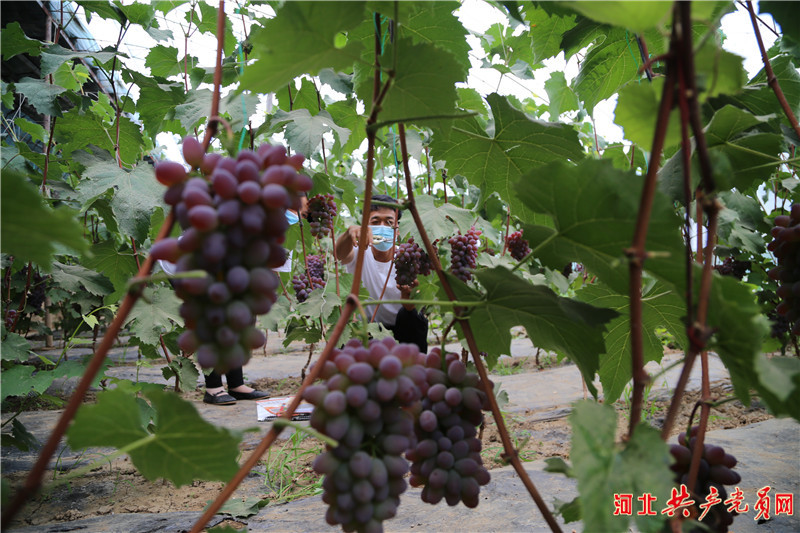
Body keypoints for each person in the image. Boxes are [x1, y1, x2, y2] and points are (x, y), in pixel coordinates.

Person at [335, 194, 428, 352]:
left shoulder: (407, 258)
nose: (383, 227)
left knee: (415, 317)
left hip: (402, 327)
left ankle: (415, 364)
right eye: (376, 222)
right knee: (347, 327)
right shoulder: (358, 253)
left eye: (389, 222)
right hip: (368, 327)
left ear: (397, 231)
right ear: (366, 226)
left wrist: (409, 301)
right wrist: (349, 234)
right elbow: (340, 254)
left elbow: (418, 302)